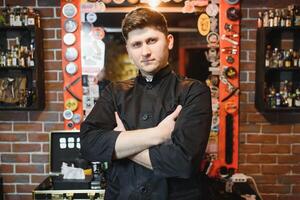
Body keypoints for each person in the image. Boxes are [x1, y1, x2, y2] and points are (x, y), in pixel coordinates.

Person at [80, 7, 212, 200]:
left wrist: (122, 142)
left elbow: (182, 162)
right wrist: (158, 135)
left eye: (152, 41)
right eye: (136, 44)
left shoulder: (193, 91)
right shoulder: (115, 92)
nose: (145, 51)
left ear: (169, 42)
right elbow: (88, 144)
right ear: (129, 50)